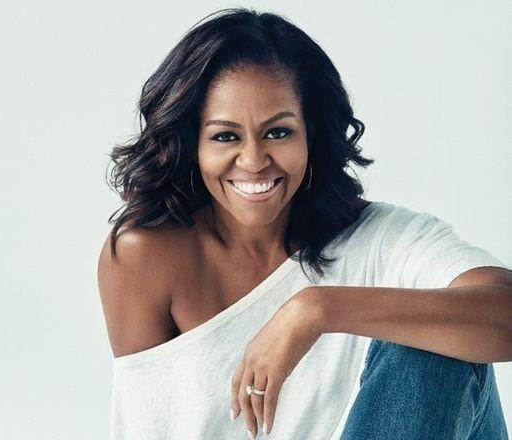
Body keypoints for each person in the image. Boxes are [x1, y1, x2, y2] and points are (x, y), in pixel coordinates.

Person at [97, 7, 511, 440]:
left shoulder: (382, 240)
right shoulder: (145, 256)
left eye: (278, 132)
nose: (254, 160)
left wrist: (317, 309)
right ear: (192, 144)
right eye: (225, 136)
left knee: (434, 345)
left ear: (311, 133)